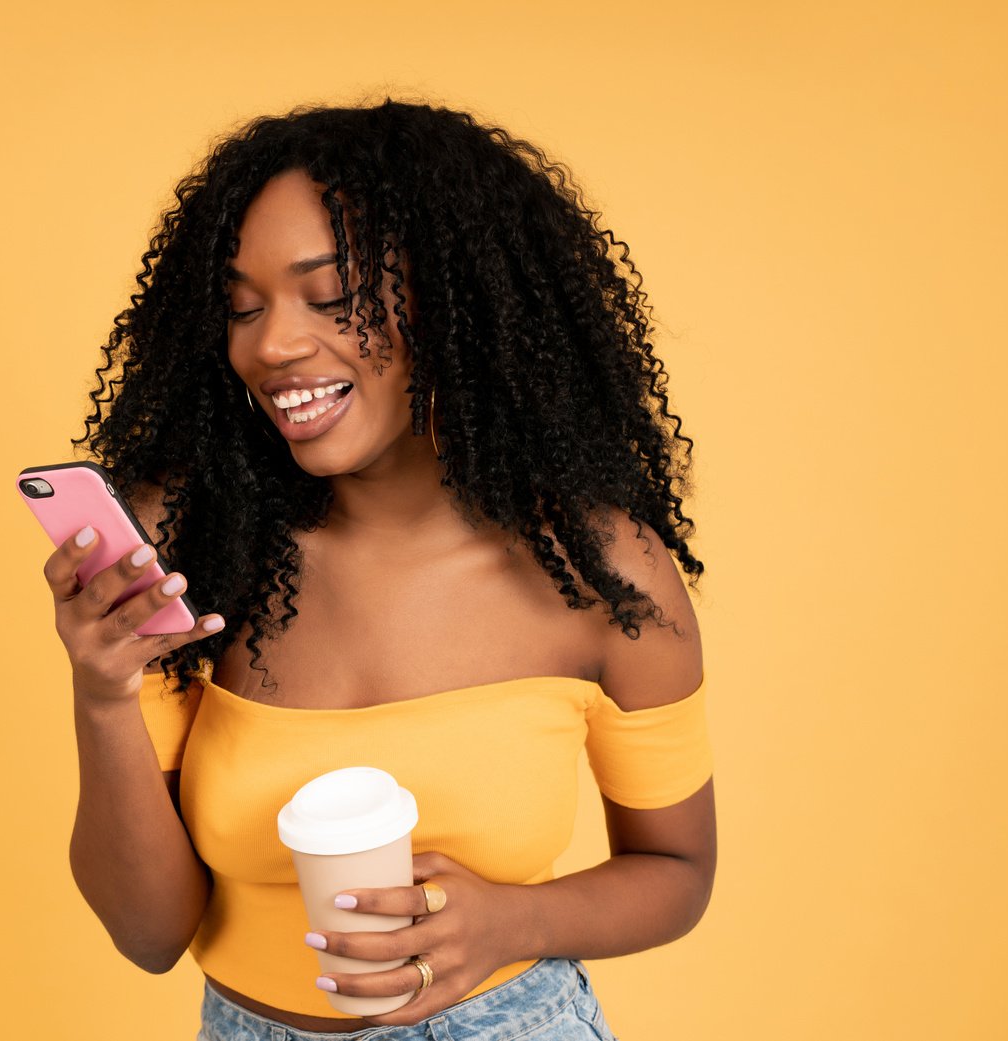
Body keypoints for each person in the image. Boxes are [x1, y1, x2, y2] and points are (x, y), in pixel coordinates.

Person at [46, 98, 715, 1041]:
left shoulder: (603, 573)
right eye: (242, 306)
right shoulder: (191, 547)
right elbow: (149, 932)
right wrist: (103, 694)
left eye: (331, 298)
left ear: (456, 303)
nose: (272, 344)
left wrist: (515, 921)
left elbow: (680, 874)